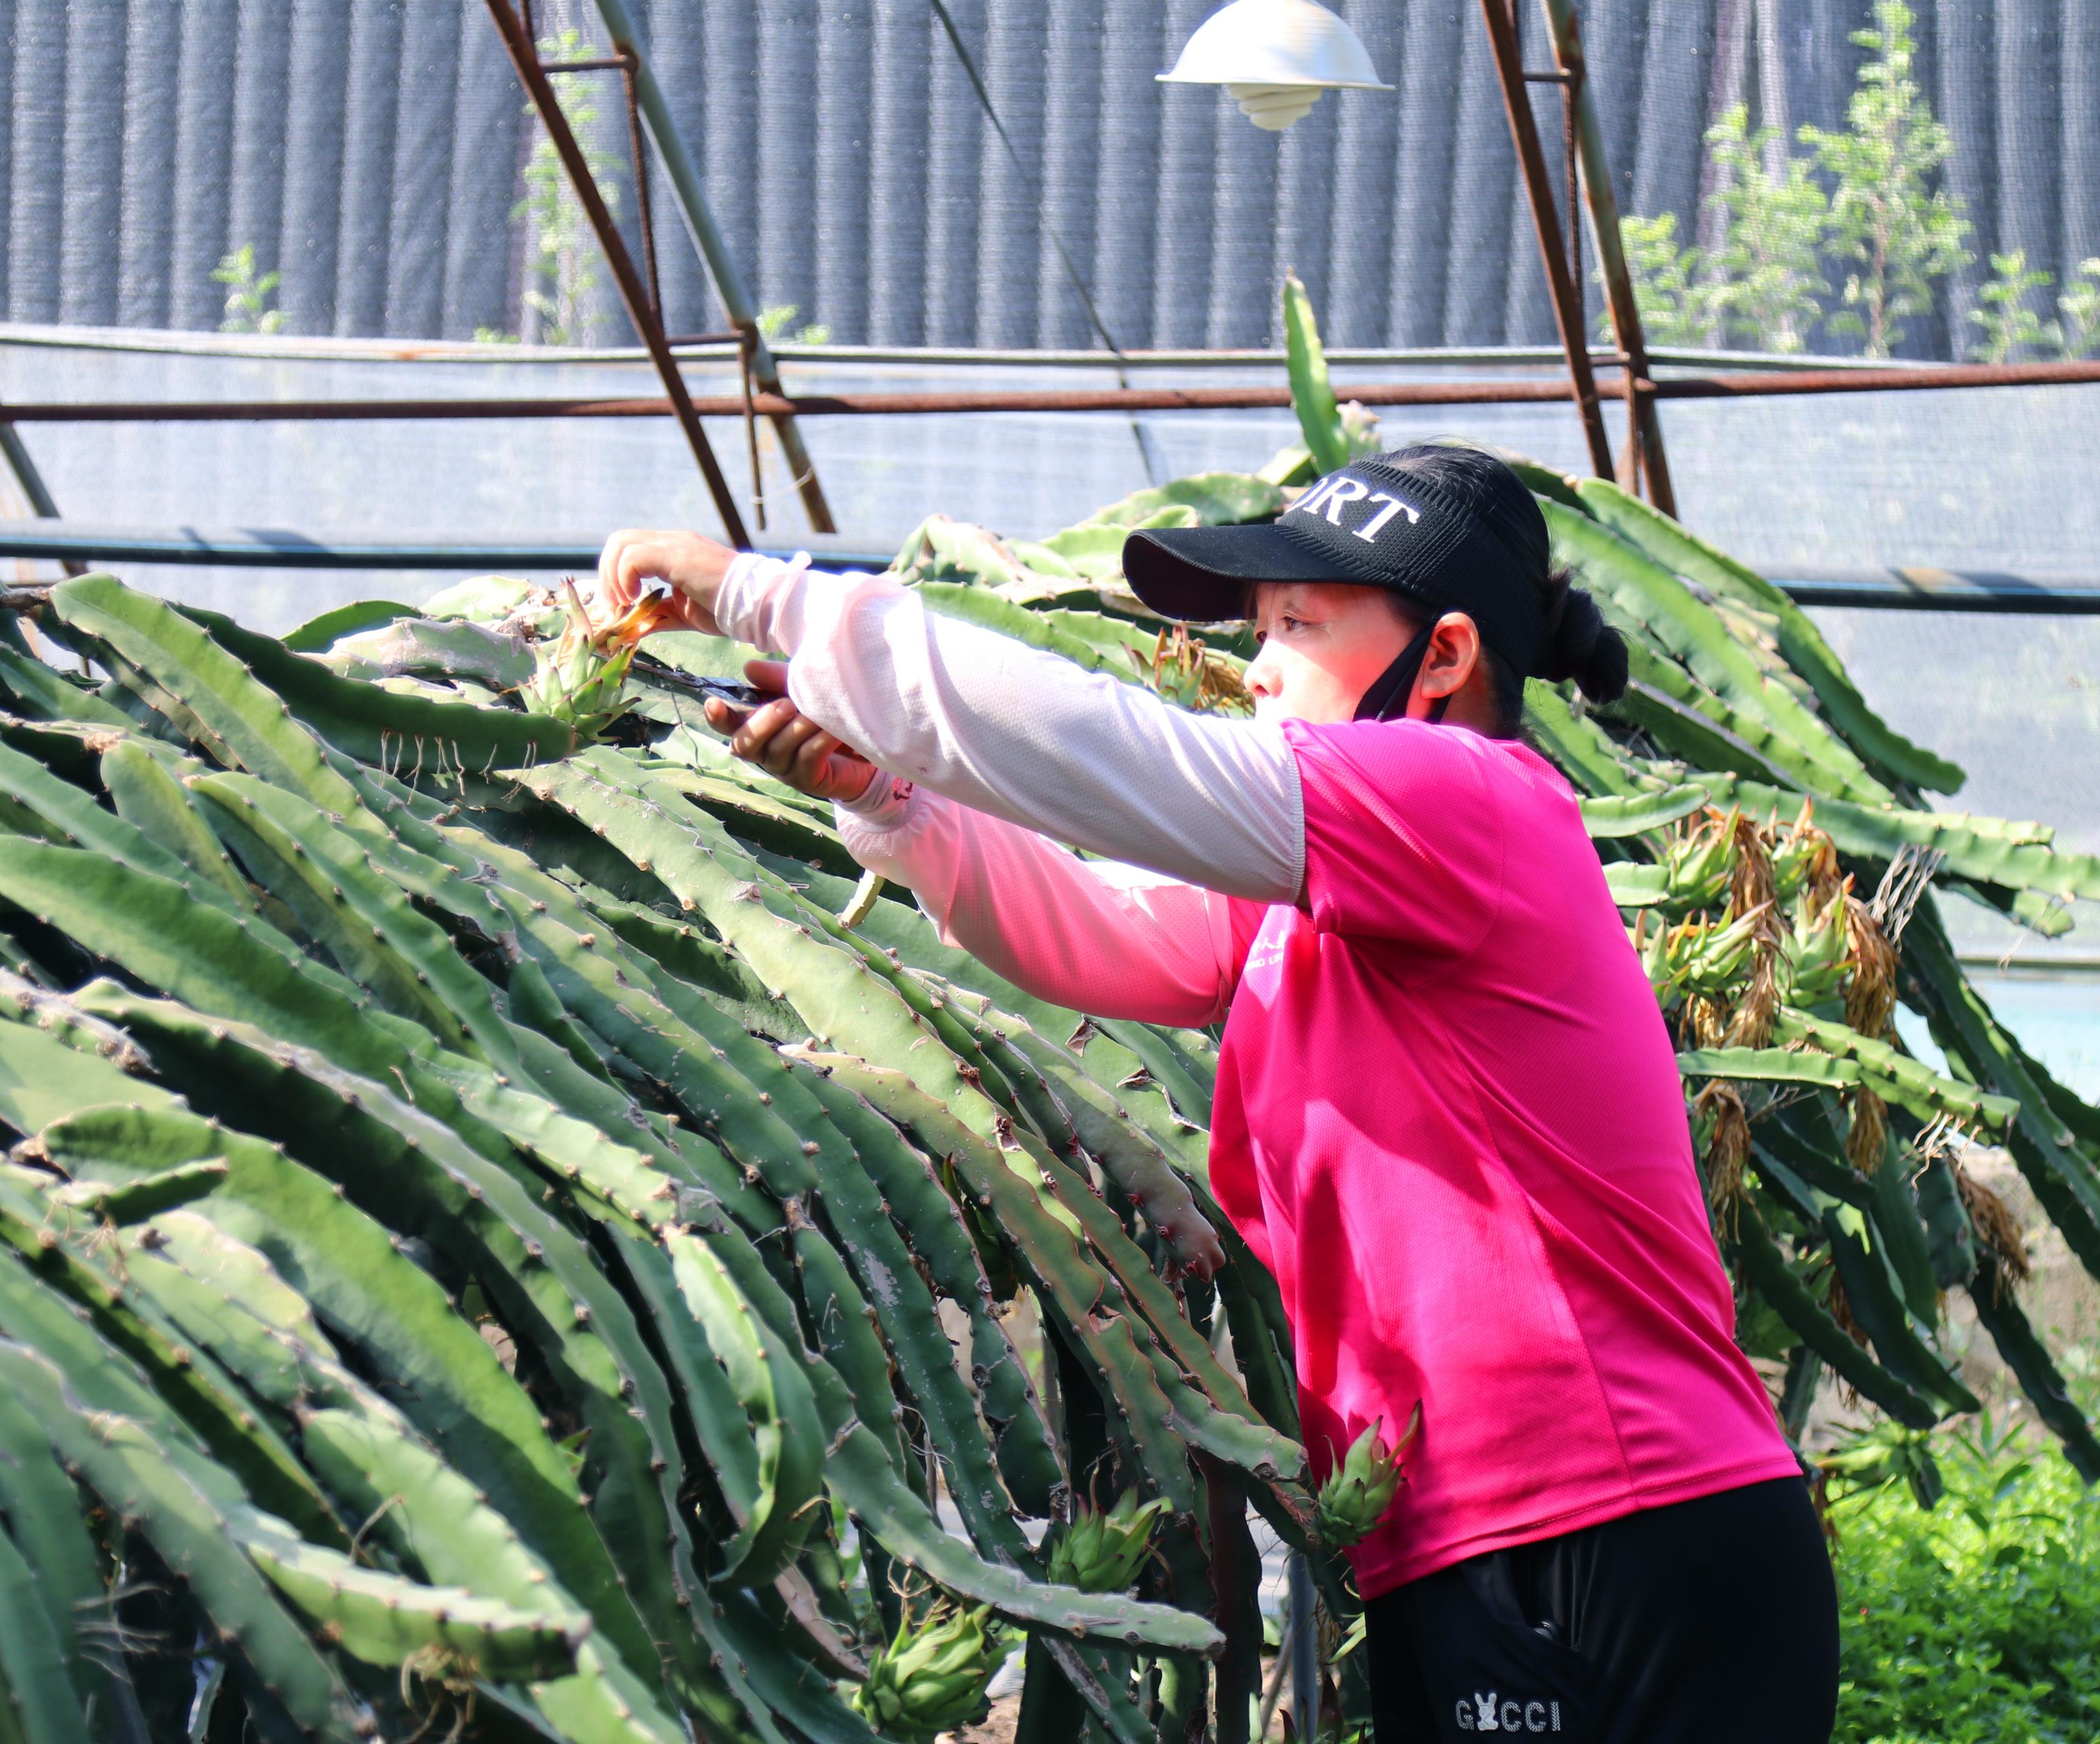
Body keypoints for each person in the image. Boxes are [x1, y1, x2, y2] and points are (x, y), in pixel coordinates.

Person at [596, 444, 1839, 1743]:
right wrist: (889, 797)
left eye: (1297, 624)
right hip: (1475, 1542)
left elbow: (1125, 759)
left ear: (1444, 656)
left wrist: (769, 600)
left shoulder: (1469, 803)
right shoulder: (1318, 901)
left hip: (1610, 1521)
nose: (1255, 664)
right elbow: (1102, 932)